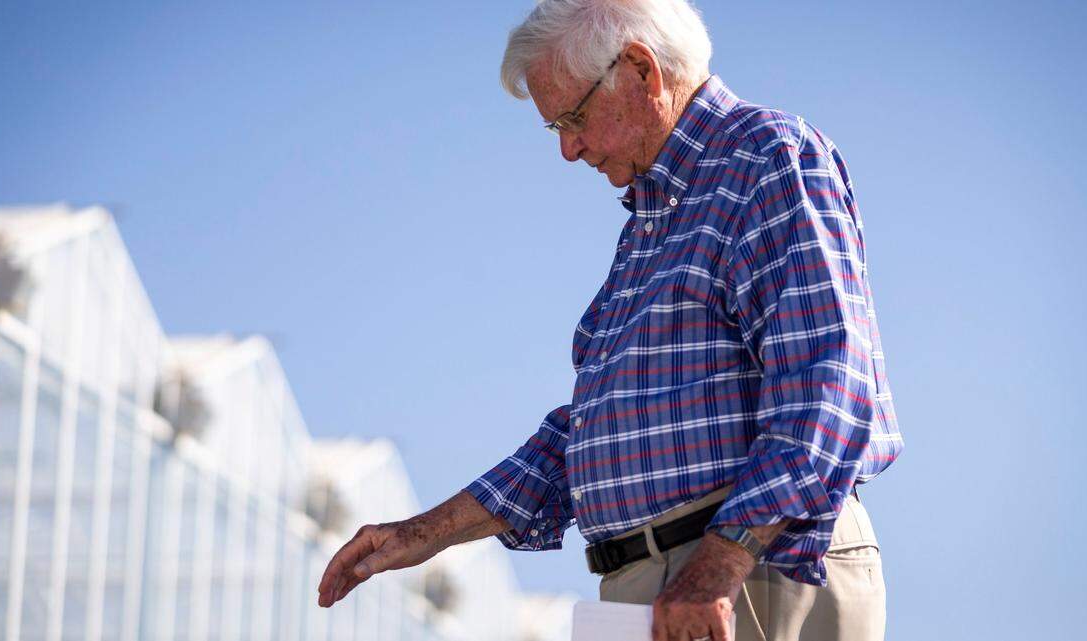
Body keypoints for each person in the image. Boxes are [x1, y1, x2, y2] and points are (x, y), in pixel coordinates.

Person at [317, 1, 904, 640]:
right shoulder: (650, 224)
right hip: (666, 581)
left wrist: (717, 565)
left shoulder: (764, 157)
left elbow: (826, 383)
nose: (569, 149)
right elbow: (587, 437)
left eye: (573, 118)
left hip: (746, 574)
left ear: (640, 69)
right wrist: (422, 533)